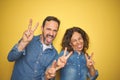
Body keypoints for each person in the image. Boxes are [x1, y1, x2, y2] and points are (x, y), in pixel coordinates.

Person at [7, 16, 65, 80]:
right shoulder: (28, 39)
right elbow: (10, 58)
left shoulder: (54, 54)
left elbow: (47, 76)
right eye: (48, 29)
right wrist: (23, 43)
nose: (51, 33)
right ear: (42, 28)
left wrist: (47, 77)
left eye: (54, 30)